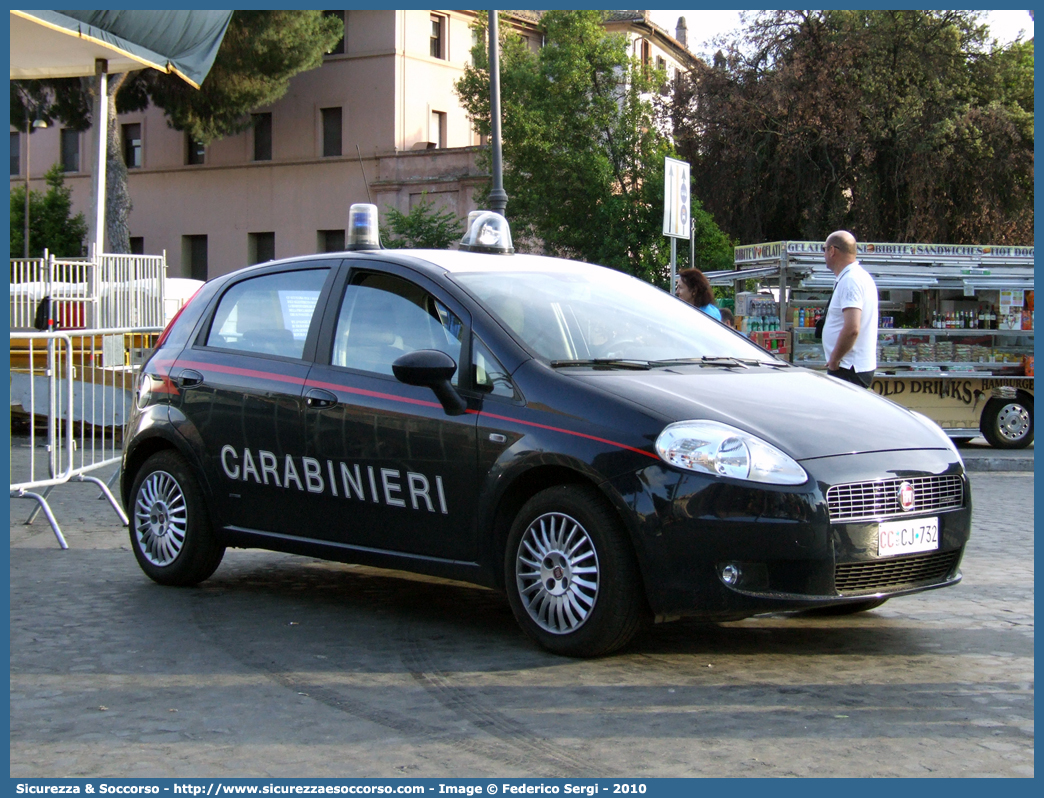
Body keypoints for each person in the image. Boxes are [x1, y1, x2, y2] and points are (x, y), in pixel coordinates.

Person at [822, 230, 878, 387]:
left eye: (824, 249)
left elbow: (852, 328)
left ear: (832, 250)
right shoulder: (854, 277)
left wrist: (834, 359)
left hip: (848, 367)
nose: (824, 254)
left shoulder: (851, 280)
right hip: (849, 366)